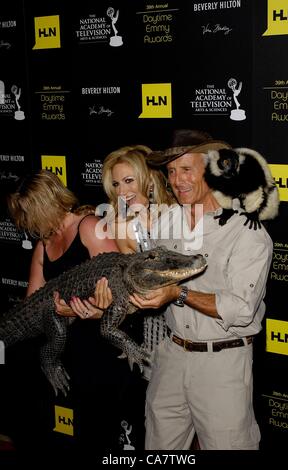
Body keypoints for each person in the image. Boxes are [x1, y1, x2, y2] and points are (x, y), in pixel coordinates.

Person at [129, 129, 274, 450]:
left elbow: (241, 309)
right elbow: (145, 279)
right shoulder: (165, 224)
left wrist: (178, 294)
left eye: (186, 170)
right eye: (170, 171)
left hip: (222, 363)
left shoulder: (245, 232)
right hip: (170, 357)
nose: (177, 180)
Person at [5, 170, 138, 462]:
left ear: (47, 203)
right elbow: (32, 301)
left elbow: (120, 288)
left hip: (98, 346)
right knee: (66, 440)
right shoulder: (43, 244)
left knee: (98, 436)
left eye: (29, 215)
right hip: (63, 351)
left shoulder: (89, 226)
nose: (26, 225)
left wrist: (90, 310)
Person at [101, 145, 174, 380]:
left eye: (128, 180)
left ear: (148, 179)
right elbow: (133, 279)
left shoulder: (178, 210)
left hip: (195, 321)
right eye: (116, 184)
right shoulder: (121, 224)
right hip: (156, 323)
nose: (121, 191)